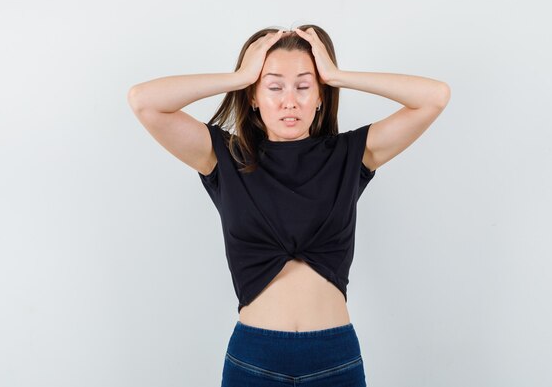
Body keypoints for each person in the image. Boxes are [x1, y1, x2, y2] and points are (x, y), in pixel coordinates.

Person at [127, 24, 450, 386]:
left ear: (321, 95)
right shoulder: (225, 157)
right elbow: (144, 101)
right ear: (253, 95)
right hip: (254, 359)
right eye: (274, 85)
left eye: (304, 85)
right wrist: (240, 76)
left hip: (334, 359)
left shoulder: (350, 155)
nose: (289, 101)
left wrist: (337, 74)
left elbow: (434, 96)